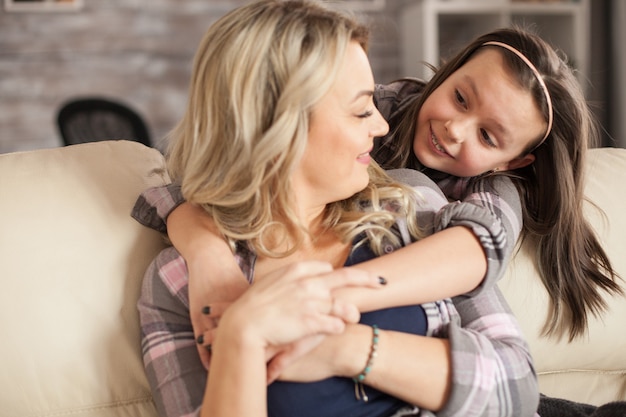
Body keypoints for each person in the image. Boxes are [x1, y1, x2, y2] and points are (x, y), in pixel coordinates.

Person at [135, 1, 538, 416]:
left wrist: (345, 348)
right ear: (281, 127)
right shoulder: (176, 282)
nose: (381, 126)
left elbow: (517, 388)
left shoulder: (408, 203)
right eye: (362, 109)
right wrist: (242, 334)